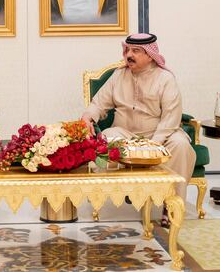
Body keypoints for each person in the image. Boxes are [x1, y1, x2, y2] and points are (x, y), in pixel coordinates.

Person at [80, 33, 195, 224]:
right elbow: (99, 103)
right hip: (125, 134)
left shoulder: (165, 79)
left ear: (150, 55)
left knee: (181, 145)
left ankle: (172, 205)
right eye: (127, 50)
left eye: (136, 51)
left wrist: (153, 144)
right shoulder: (118, 75)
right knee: (107, 138)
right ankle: (114, 196)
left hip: (159, 134)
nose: (128, 55)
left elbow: (171, 117)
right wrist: (87, 116)